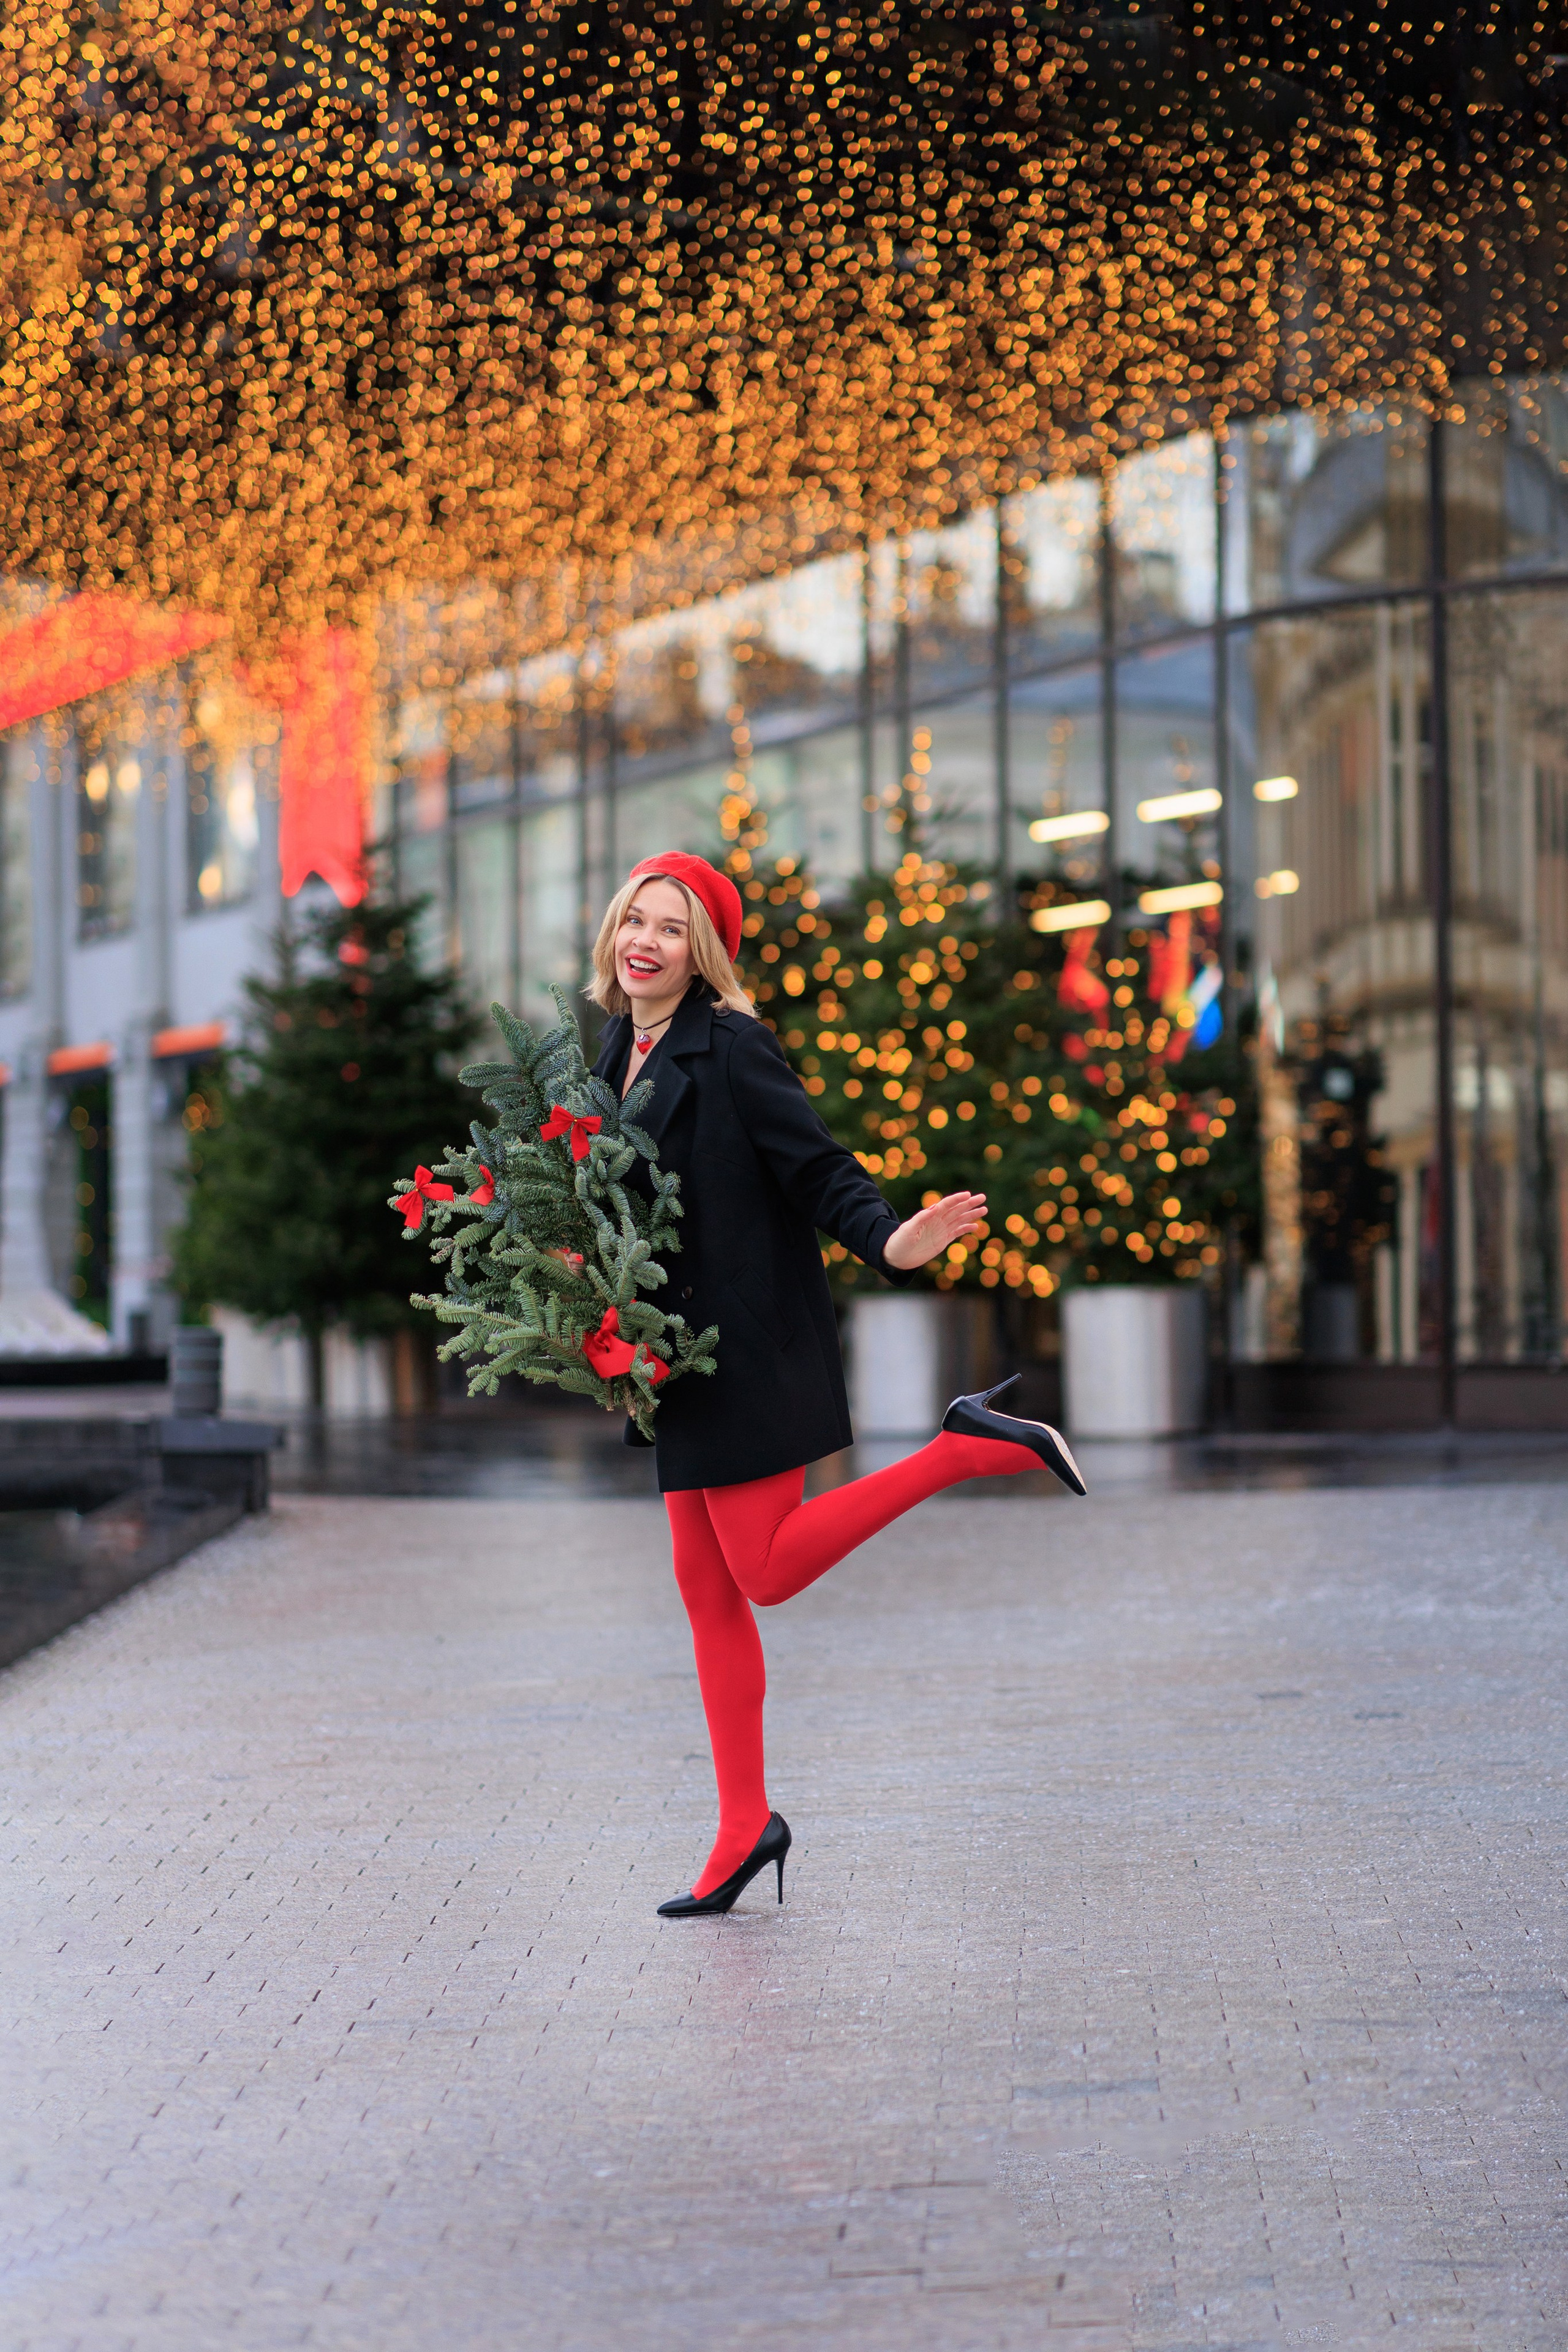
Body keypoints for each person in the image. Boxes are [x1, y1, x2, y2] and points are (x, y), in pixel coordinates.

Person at [587, 851, 1085, 1918]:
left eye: (673, 928)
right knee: (705, 1588)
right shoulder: (613, 1050)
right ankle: (741, 1828)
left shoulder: (732, 1047)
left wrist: (892, 1242)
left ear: (703, 952)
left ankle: (965, 1445)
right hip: (673, 1359)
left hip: (752, 1344)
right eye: (638, 918)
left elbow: (817, 1170)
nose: (648, 941)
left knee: (760, 1573)